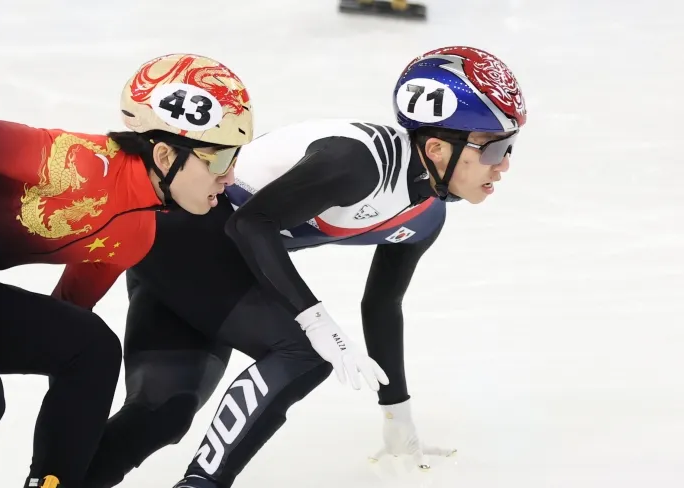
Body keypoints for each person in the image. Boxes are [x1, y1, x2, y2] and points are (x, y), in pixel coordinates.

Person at [62, 45, 527, 488]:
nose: (503, 165)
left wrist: (396, 416)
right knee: (303, 354)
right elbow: (250, 225)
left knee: (160, 414)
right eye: (493, 149)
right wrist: (314, 317)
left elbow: (382, 303)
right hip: (191, 233)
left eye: (509, 148)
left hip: (194, 257)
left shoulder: (426, 217)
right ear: (439, 149)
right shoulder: (360, 161)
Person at [0, 52, 252, 488]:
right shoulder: (73, 161)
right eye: (221, 160)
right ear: (167, 156)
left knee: (88, 347)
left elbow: (64, 314)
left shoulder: (136, 235)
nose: (229, 178)